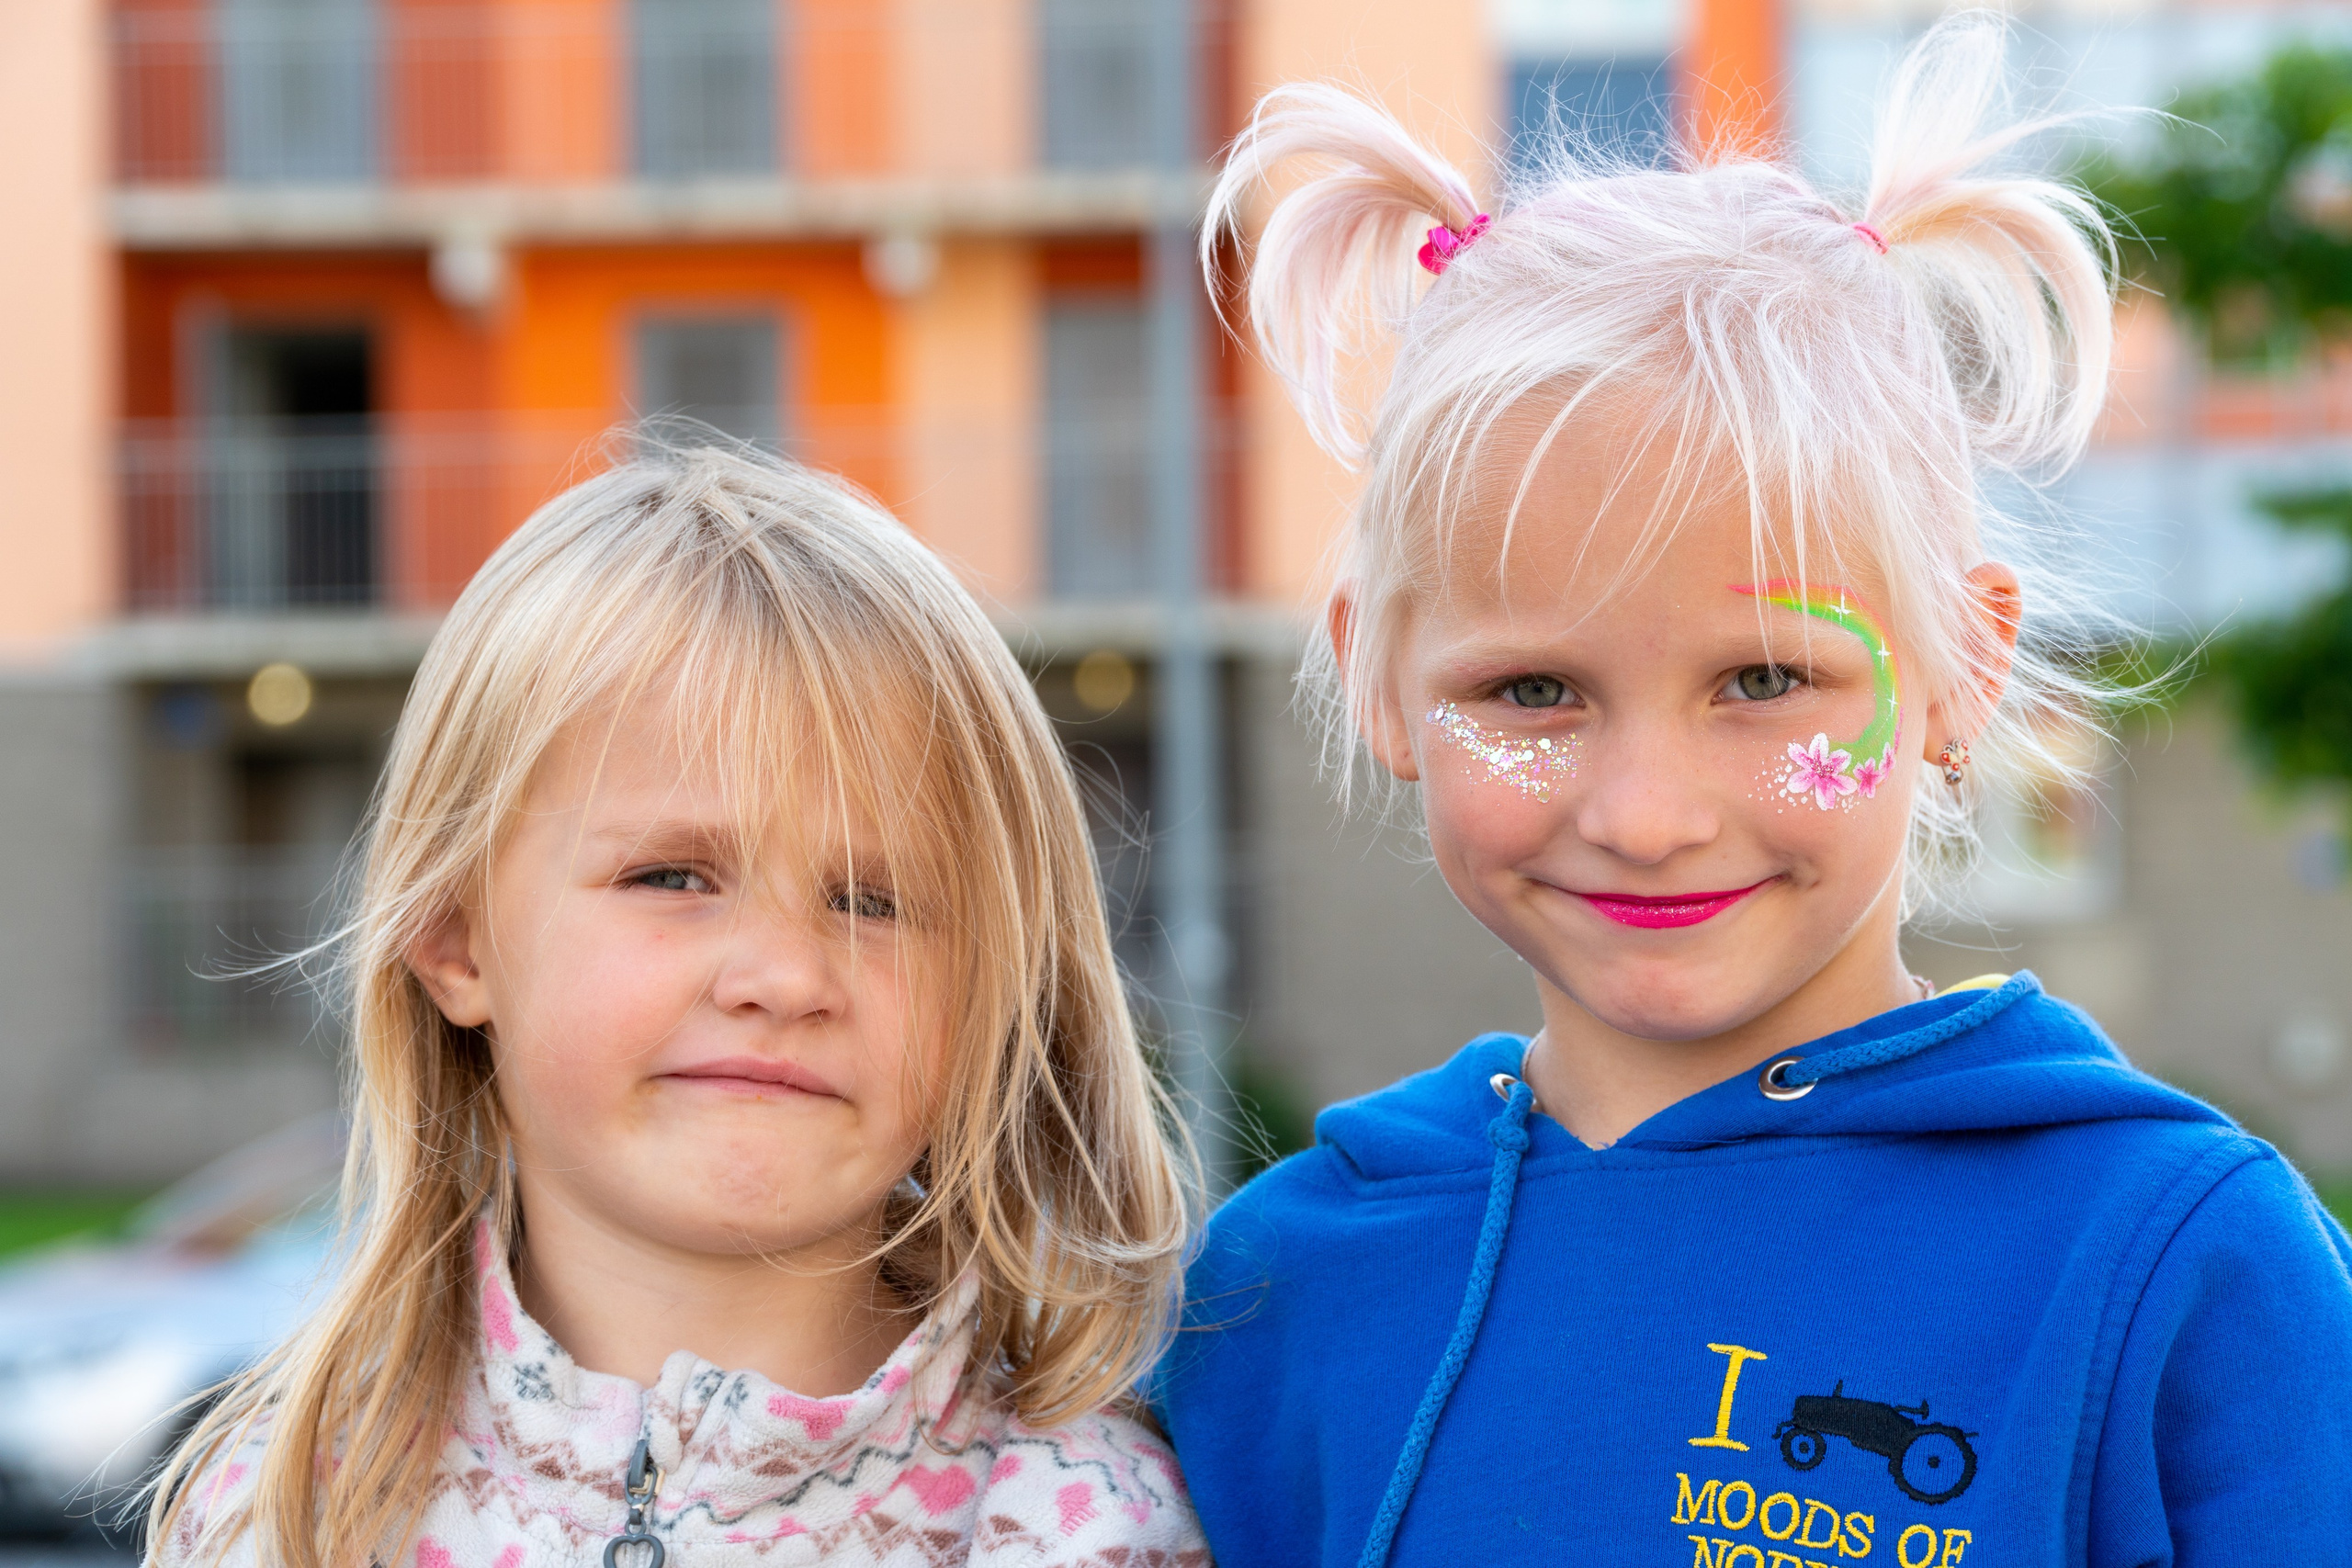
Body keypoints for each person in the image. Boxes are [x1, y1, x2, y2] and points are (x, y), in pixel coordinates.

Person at [1154, 16, 2352, 1565]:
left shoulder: (2181, 1263)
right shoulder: (1278, 1284)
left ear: (1963, 668)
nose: (1647, 813)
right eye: (1534, 692)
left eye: (1767, 680)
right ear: (1383, 684)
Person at [150, 444, 1207, 1567]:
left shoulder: (1085, 1531)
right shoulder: (287, 1510)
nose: (786, 977)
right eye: (673, 877)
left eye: (874, 899)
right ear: (454, 937)